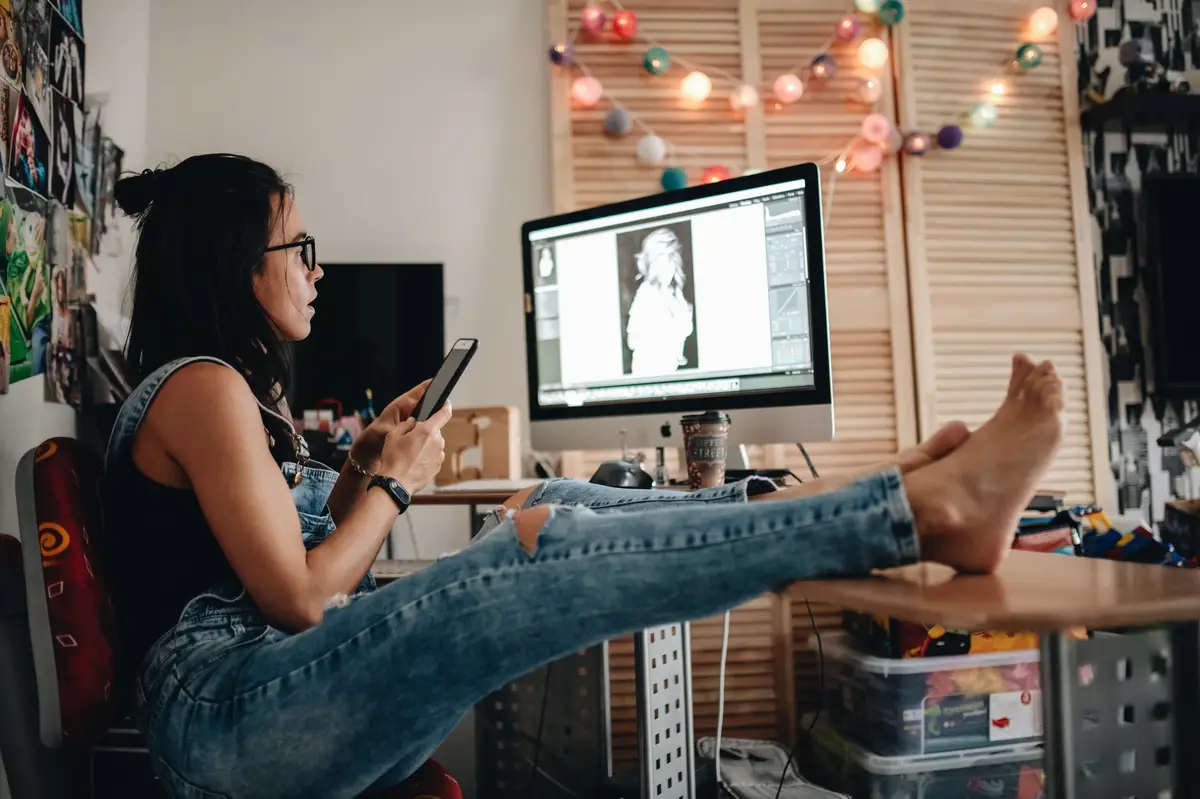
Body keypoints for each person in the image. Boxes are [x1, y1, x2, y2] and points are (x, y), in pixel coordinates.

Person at [101, 154, 1065, 799]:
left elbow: (294, 565)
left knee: (547, 502)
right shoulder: (203, 388)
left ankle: (883, 497)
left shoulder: (230, 392)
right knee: (523, 549)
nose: (317, 268)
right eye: (297, 246)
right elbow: (305, 600)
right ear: (238, 264)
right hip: (224, 721)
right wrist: (393, 487)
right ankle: (913, 508)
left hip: (255, 699)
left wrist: (359, 468)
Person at [626, 227, 694, 375]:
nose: (668, 267)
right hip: (649, 376)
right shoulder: (646, 294)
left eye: (672, 260)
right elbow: (633, 341)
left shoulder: (674, 292)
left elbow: (685, 330)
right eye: (663, 261)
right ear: (652, 263)